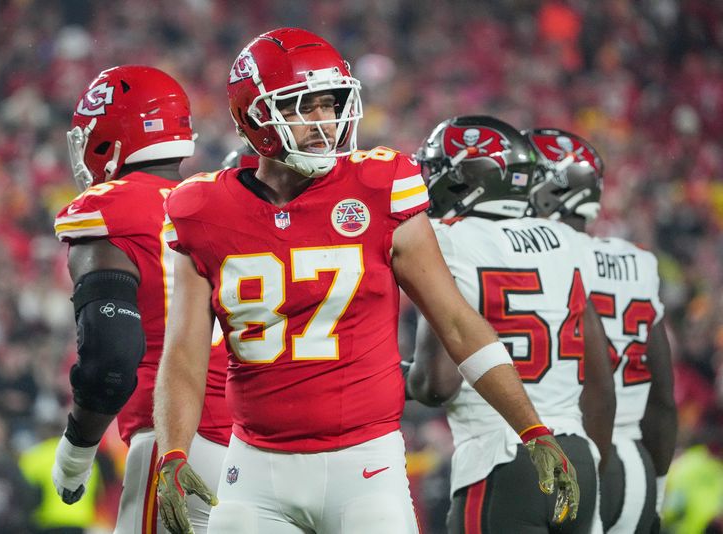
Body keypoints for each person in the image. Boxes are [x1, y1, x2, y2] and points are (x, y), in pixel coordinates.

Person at [153, 28, 579, 534]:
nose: (323, 123)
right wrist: (172, 452)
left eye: (330, 105)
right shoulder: (202, 209)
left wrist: (532, 428)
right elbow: (183, 353)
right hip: (254, 471)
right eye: (302, 107)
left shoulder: (380, 187)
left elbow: (457, 323)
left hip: (365, 466)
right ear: (254, 116)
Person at [407, 115, 615, 533]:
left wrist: (395, 379)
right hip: (577, 456)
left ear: (467, 180)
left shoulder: (444, 239)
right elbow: (601, 386)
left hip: (502, 456)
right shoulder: (567, 241)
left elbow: (437, 384)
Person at [51, 65, 231, 534]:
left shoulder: (110, 209)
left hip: (175, 446)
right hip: (259, 448)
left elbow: (110, 361)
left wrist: (76, 450)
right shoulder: (218, 203)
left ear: (110, 138)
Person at [526, 127, 677, 533]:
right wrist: (656, 487)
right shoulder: (637, 261)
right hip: (635, 464)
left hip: (565, 457)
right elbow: (662, 399)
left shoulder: (536, 258)